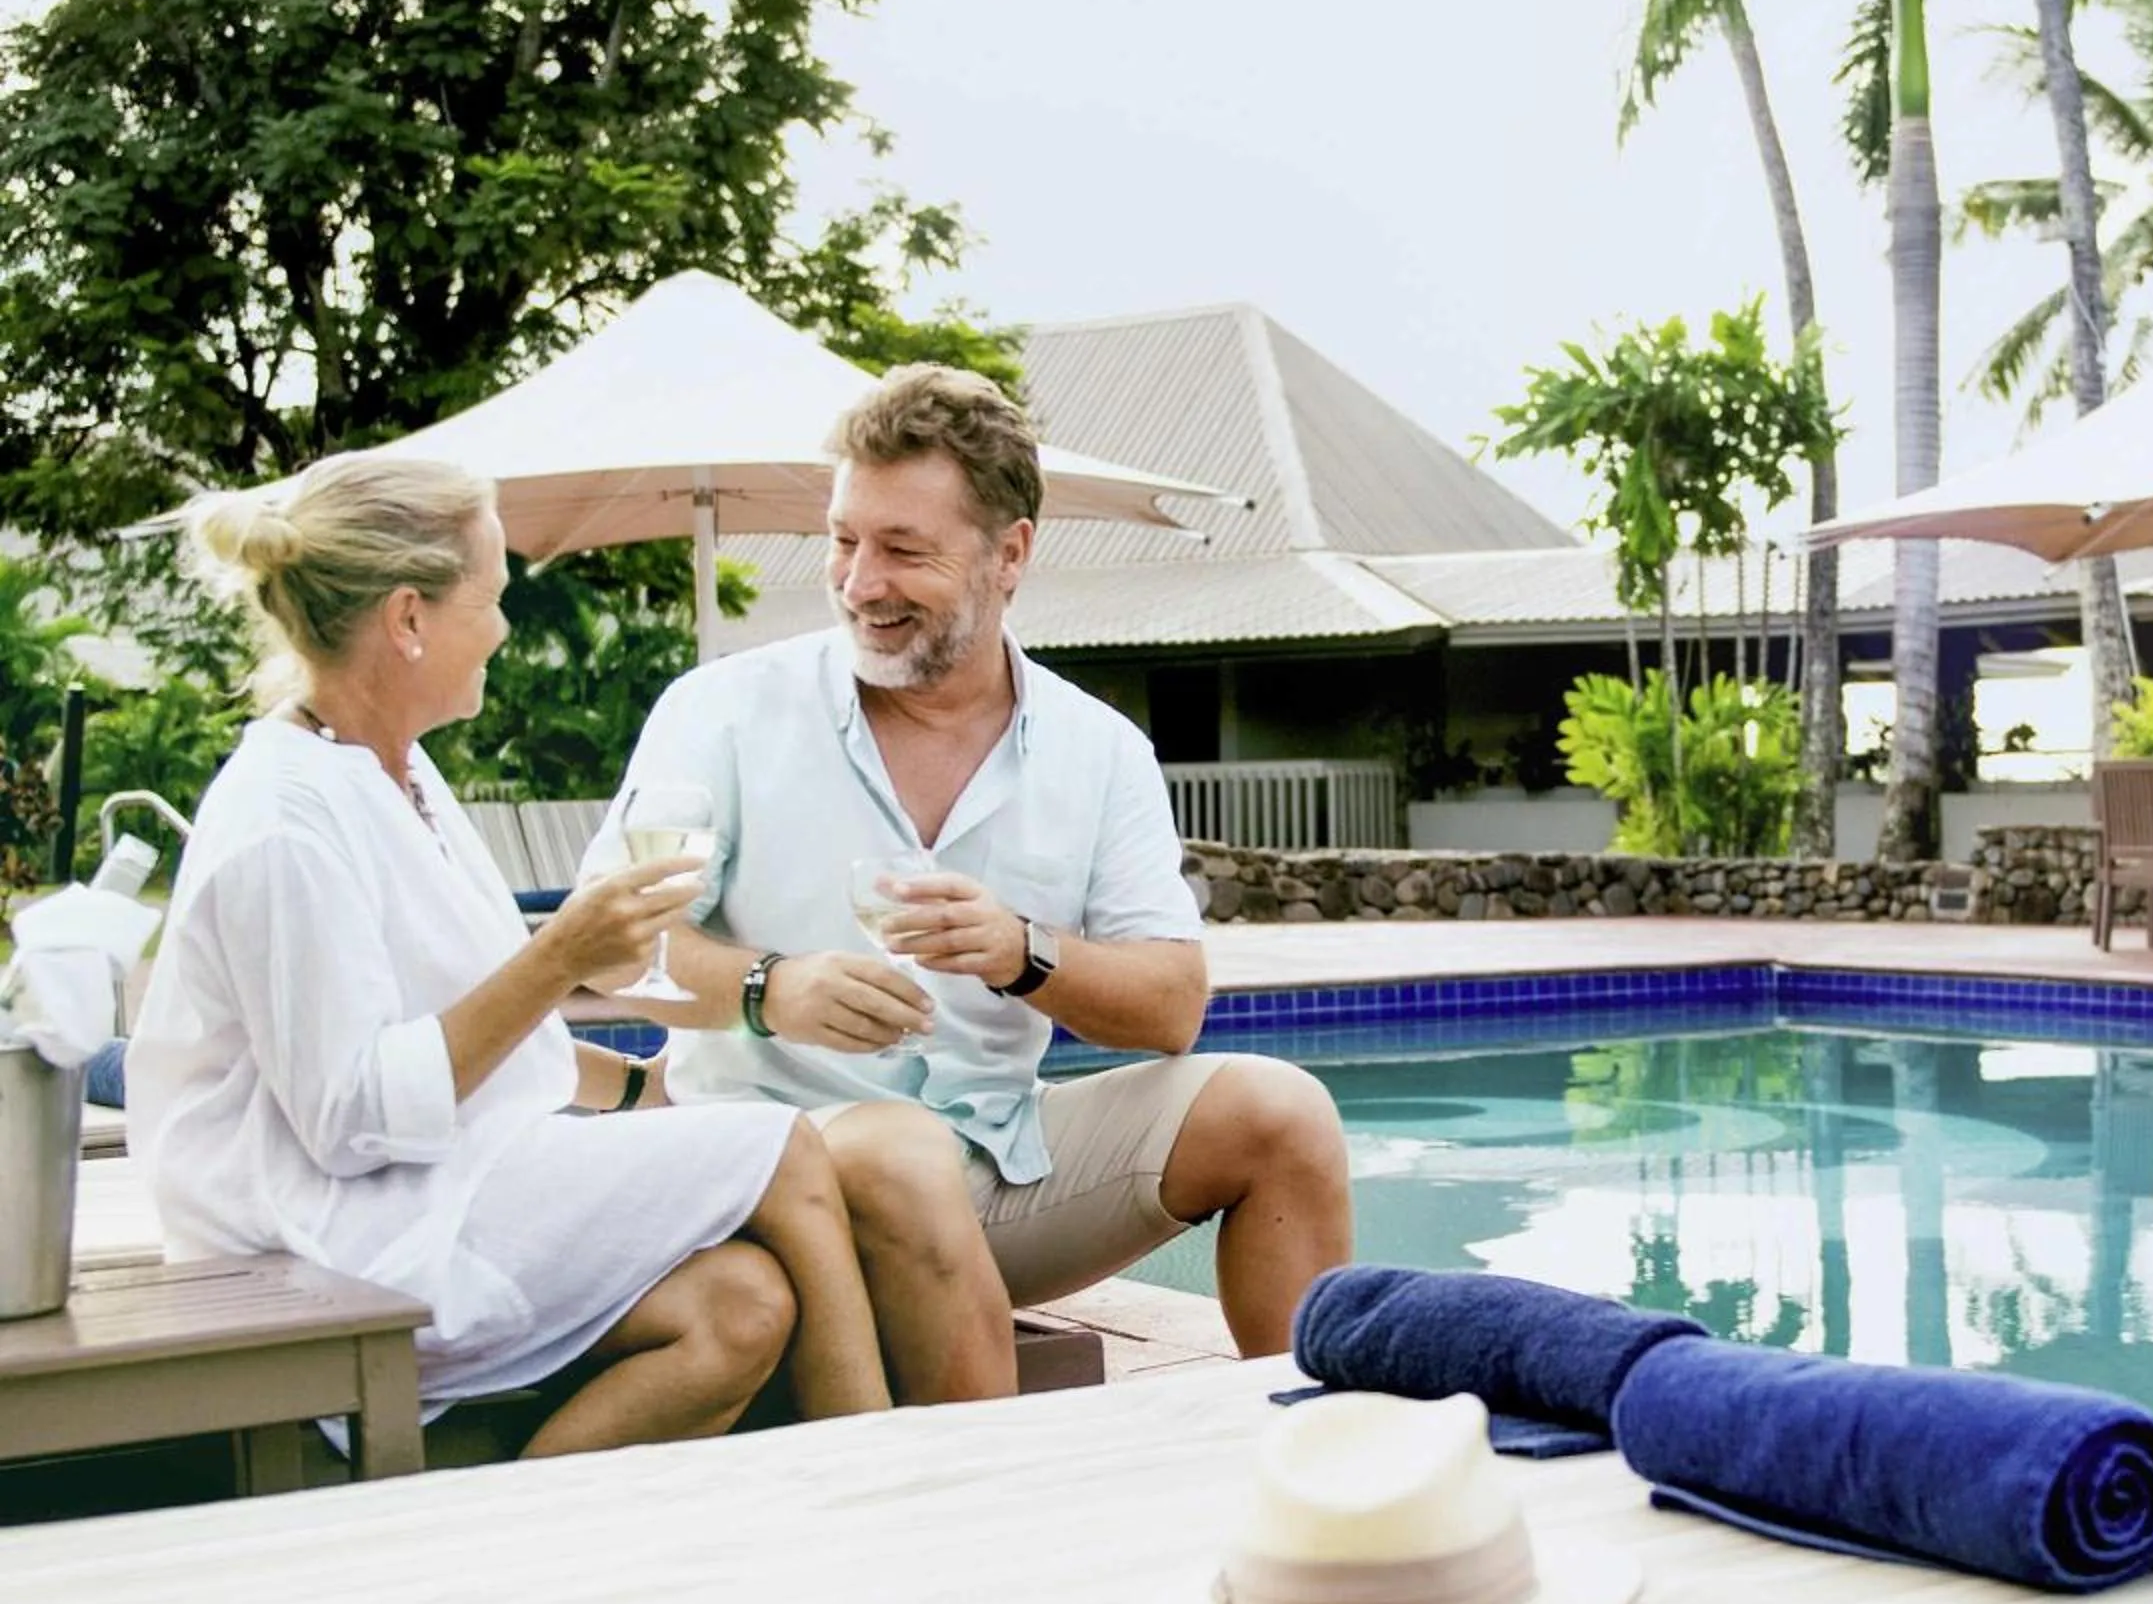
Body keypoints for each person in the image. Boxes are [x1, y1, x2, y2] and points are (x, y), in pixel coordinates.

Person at [599, 363, 1352, 1391]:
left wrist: (1023, 953)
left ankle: (1316, 1454)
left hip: (1000, 1173)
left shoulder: (1100, 750)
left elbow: (1172, 1008)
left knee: (1283, 1112)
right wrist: (770, 991)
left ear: (1011, 555)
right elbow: (611, 956)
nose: (861, 582)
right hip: (772, 1179)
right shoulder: (721, 713)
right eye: (845, 540)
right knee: (900, 1153)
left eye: (903, 550)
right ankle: (990, 1511)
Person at [128, 453, 894, 1456]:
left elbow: (456, 1027)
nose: (502, 627)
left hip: (427, 1191)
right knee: (783, 1150)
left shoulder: (392, 774)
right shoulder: (282, 823)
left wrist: (638, 1090)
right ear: (408, 620)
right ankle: (888, 1484)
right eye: (489, 599)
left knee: (739, 1306)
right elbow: (352, 1119)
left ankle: (492, 1558)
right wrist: (560, 953)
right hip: (328, 1235)